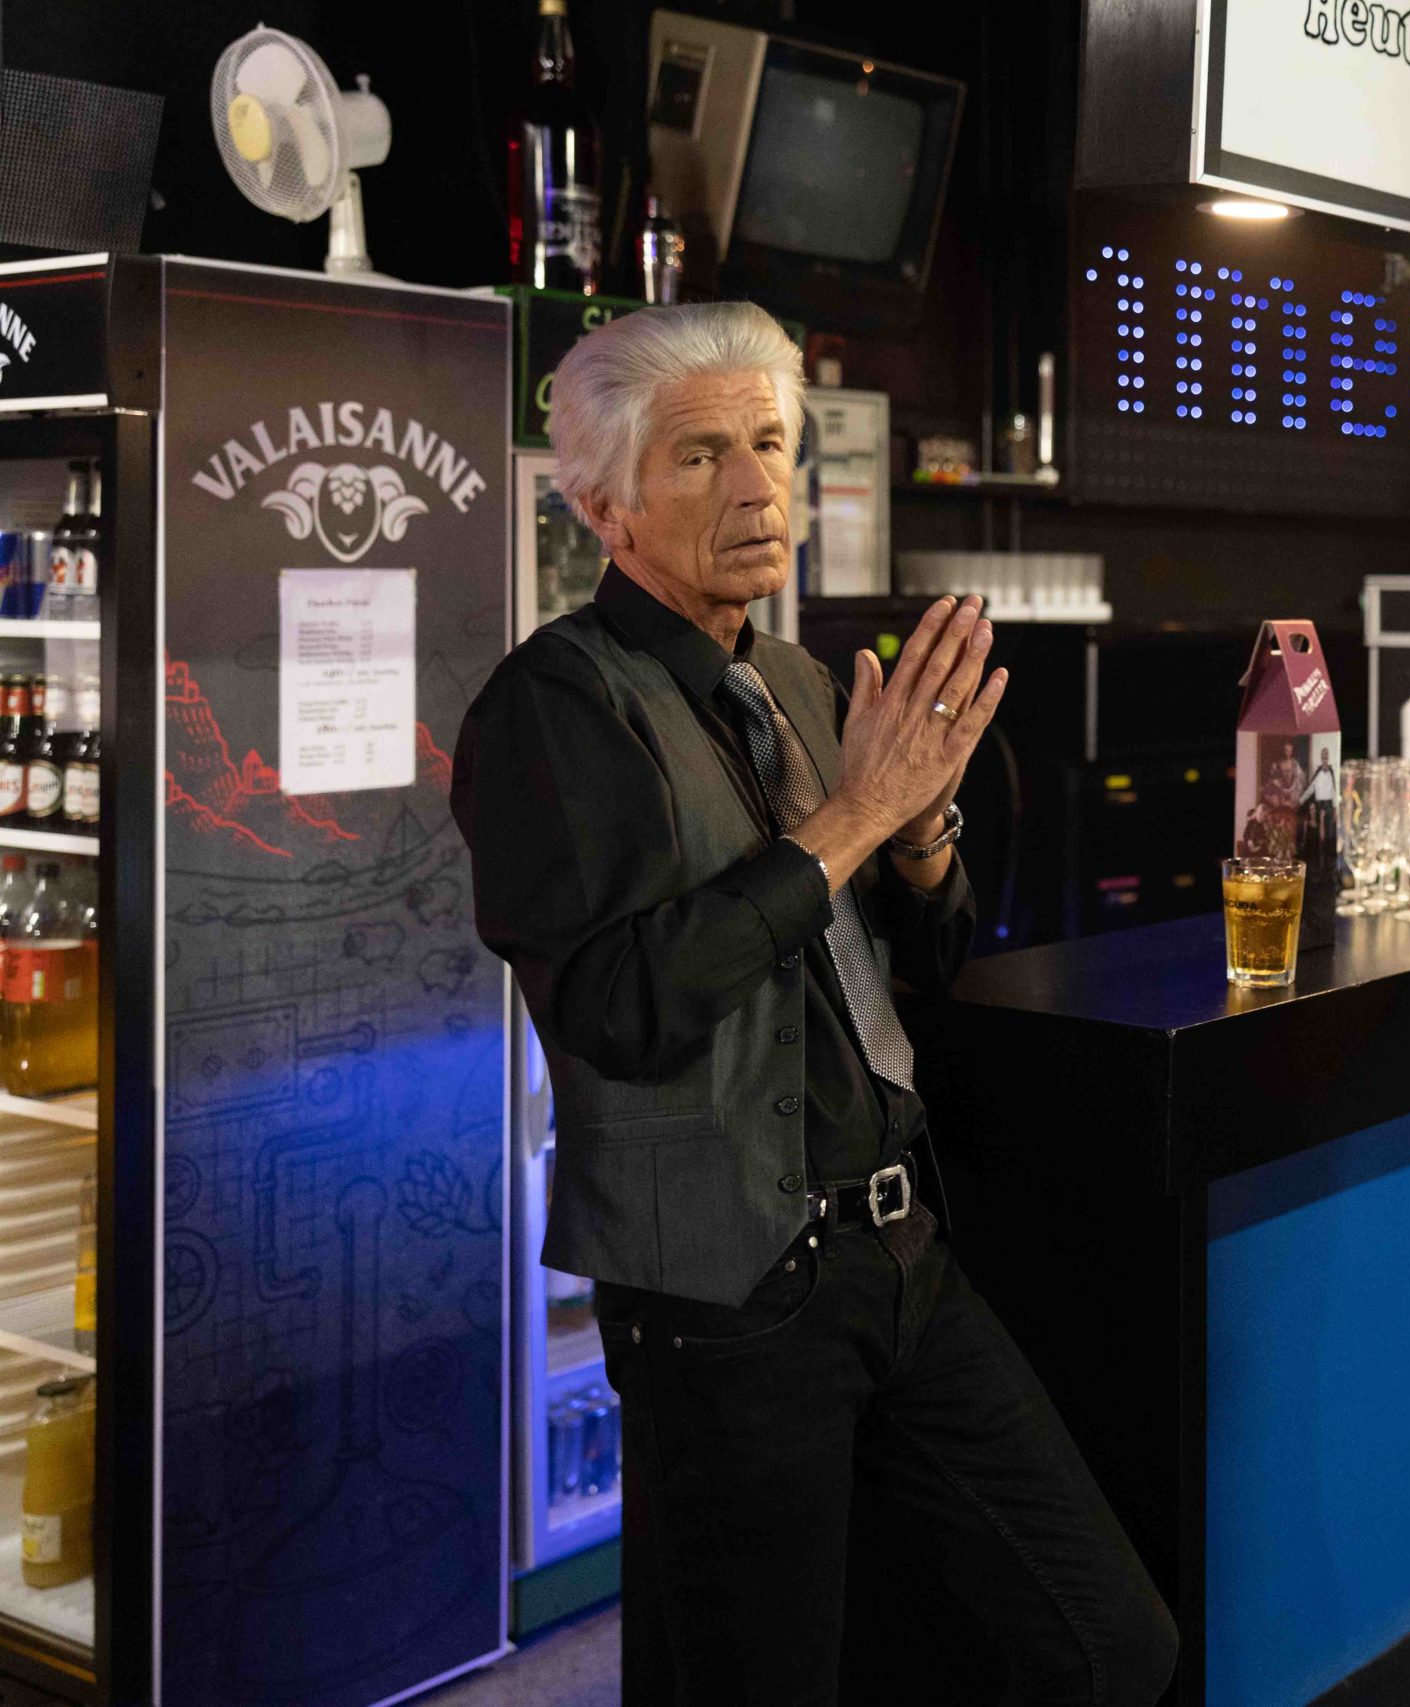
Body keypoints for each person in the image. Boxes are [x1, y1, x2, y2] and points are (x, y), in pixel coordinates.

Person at [451, 302, 1176, 1707]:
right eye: (701, 455)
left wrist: (921, 830)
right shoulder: (554, 706)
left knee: (1112, 1643)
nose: (757, 486)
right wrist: (852, 819)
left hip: (900, 1251)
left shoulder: (794, 680)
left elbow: (930, 952)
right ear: (604, 506)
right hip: (727, 1297)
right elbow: (619, 1010)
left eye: (772, 445)